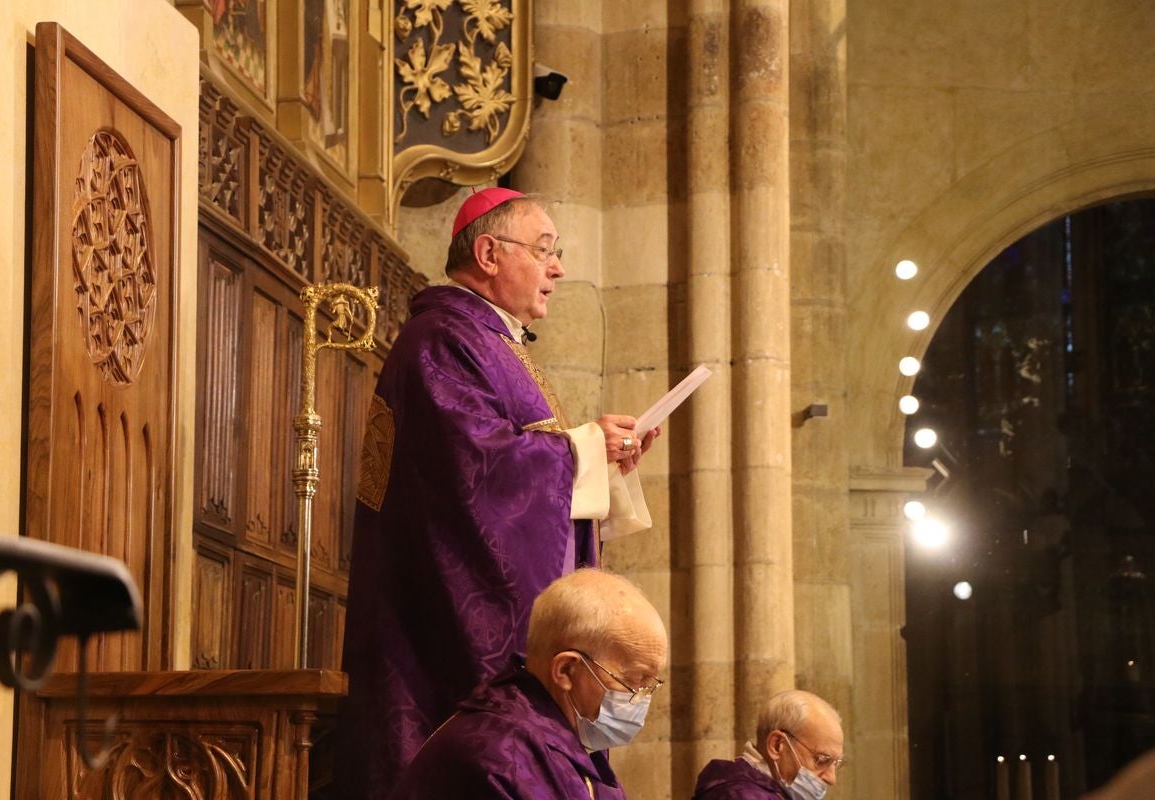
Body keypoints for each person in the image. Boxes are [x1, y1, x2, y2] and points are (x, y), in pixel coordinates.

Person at [338, 188, 659, 798]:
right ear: (488, 252)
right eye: (544, 250)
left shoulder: (490, 344)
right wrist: (583, 449)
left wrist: (603, 462)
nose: (558, 268)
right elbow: (475, 476)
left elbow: (526, 476)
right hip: (439, 649)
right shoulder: (440, 340)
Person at [389, 568, 668, 799]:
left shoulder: (558, 738)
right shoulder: (499, 756)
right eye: (633, 680)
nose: (640, 699)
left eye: (649, 685)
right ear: (566, 670)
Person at [692, 690, 845, 800]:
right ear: (777, 745)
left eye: (836, 764)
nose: (832, 779)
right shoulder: (740, 795)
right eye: (822, 760)